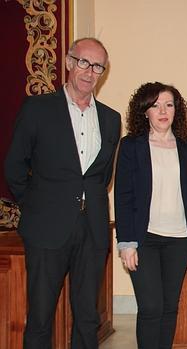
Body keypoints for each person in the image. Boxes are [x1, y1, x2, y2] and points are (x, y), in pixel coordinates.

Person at [4, 37, 121, 349]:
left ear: (103, 72)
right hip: (45, 229)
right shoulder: (38, 109)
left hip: (93, 230)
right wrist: (36, 205)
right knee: (40, 316)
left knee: (87, 317)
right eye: (84, 62)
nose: (89, 71)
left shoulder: (111, 119)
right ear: (69, 63)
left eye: (98, 66)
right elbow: (14, 166)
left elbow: (102, 176)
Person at [114, 82, 187, 348]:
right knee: (150, 307)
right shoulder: (131, 146)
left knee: (169, 307)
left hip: (180, 239)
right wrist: (126, 242)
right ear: (145, 111)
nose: (163, 110)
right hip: (144, 238)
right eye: (155, 105)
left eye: (169, 104)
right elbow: (123, 197)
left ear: (177, 111)